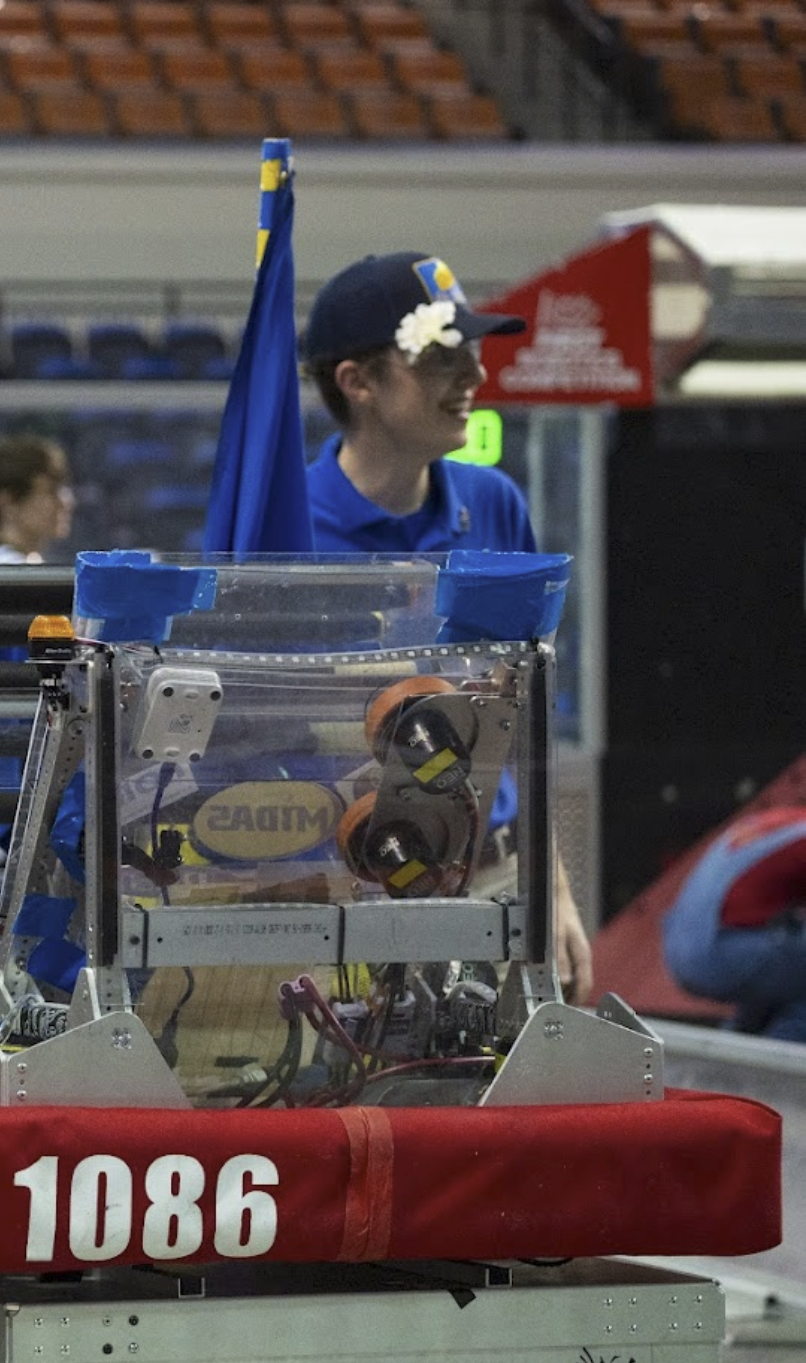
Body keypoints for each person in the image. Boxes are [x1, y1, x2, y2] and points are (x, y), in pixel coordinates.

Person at [300, 249, 593, 1000]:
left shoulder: (494, 505)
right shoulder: (285, 531)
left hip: (491, 877)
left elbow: (527, 722)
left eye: (473, 352)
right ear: (357, 382)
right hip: (340, 891)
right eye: (441, 357)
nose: (476, 376)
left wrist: (550, 886)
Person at [661, 805, 806, 1043]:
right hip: (718, 950)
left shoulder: (778, 822)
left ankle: (730, 1062)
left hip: (680, 948)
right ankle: (780, 1073)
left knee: (786, 970)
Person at [0, 432, 73, 564]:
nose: (66, 501)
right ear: (7, 503)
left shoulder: (25, 563)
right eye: (50, 491)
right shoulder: (3, 569)